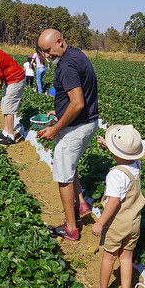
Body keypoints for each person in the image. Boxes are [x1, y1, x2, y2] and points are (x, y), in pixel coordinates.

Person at [38, 28, 99, 241]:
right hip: (88, 122)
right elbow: (77, 98)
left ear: (59, 41)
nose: (47, 55)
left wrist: (55, 129)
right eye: (43, 52)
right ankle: (81, 204)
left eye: (48, 50)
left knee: (63, 175)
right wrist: (60, 110)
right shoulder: (76, 54)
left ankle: (71, 228)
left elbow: (78, 103)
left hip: (76, 127)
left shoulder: (67, 66)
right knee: (69, 163)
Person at [92, 124, 145, 288]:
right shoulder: (136, 165)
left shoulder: (115, 174)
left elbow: (114, 202)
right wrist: (110, 147)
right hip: (134, 222)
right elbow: (126, 158)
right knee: (126, 257)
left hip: (117, 223)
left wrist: (100, 223)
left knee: (109, 257)